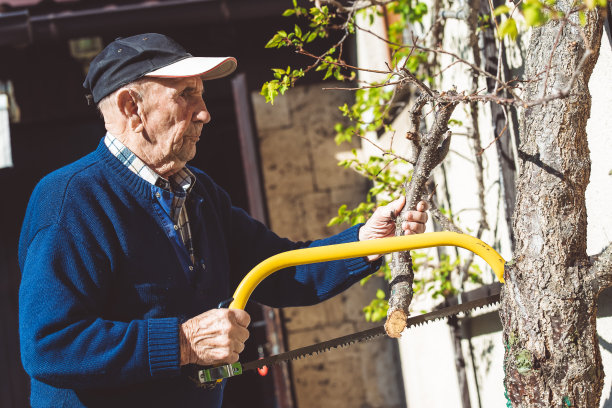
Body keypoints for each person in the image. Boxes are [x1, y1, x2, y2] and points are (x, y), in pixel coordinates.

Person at [18, 33, 429, 407]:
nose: (205, 113)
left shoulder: (199, 194)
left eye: (202, 95)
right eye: (187, 94)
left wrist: (367, 241)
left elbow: (282, 270)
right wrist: (181, 342)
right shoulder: (71, 199)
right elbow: (51, 346)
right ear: (132, 108)